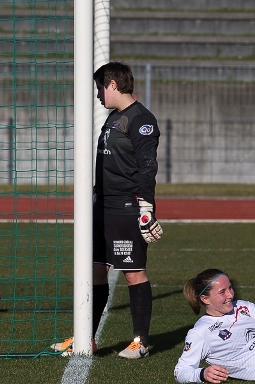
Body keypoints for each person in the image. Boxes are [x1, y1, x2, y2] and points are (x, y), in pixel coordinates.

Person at [51, 61, 163, 359]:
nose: (98, 94)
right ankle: (86, 337)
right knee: (95, 271)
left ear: (113, 84)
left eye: (101, 87)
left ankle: (140, 341)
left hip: (126, 209)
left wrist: (146, 207)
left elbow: (147, 167)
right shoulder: (114, 118)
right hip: (101, 207)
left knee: (132, 273)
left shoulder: (141, 119)